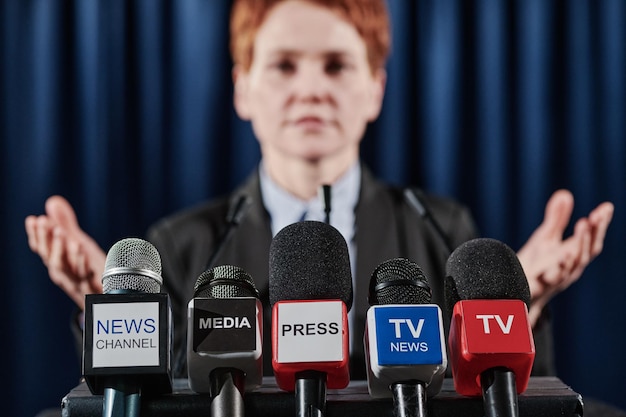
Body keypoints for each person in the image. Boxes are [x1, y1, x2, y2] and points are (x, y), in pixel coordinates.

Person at [25, 0, 613, 382]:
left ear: (376, 89)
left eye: (335, 66)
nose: (311, 88)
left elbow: (489, 389)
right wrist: (112, 306)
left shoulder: (444, 228)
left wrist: (521, 305)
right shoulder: (179, 244)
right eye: (283, 65)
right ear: (242, 89)